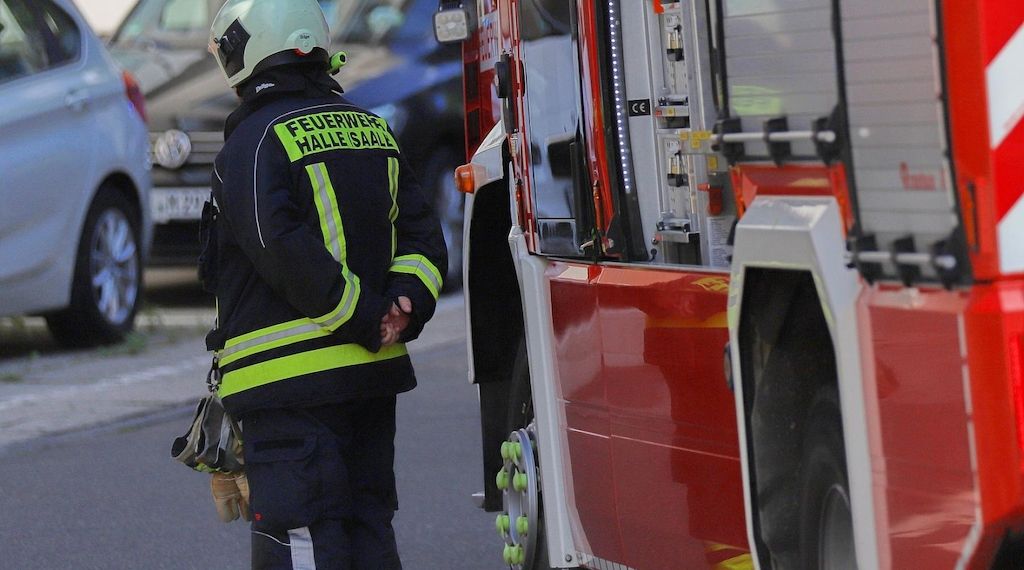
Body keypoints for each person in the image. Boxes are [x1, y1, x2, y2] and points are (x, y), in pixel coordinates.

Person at [200, 0, 447, 568]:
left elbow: (278, 246)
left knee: (305, 540)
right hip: (370, 378)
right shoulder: (371, 128)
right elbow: (424, 240)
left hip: (288, 390)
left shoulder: (253, 143)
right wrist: (401, 308)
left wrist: (363, 315)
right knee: (368, 530)